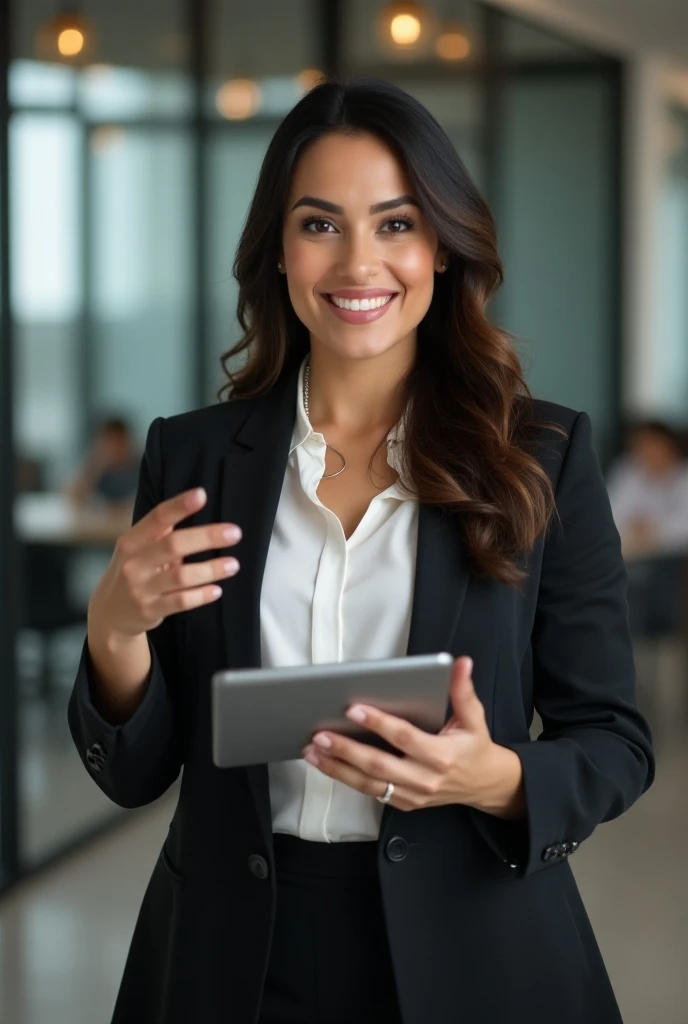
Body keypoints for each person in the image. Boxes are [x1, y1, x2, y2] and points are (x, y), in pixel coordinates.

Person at [68, 78, 654, 1024]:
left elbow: (615, 745)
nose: (358, 262)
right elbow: (139, 772)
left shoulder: (540, 454)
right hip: (232, 954)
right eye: (319, 223)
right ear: (278, 250)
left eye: (395, 223)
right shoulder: (194, 456)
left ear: (442, 245)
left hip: (479, 948)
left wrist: (493, 777)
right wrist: (114, 632)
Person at [607, 419, 688, 557]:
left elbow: (684, 526)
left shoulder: (684, 476)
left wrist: (653, 530)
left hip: (676, 559)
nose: (647, 452)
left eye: (653, 446)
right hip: (633, 554)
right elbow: (611, 514)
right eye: (641, 447)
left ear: (670, 447)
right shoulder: (627, 471)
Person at [64, 415, 140, 511]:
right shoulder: (95, 463)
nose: (115, 449)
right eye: (110, 442)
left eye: (119, 442)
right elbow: (73, 497)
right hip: (99, 523)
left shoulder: (140, 464)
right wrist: (95, 466)